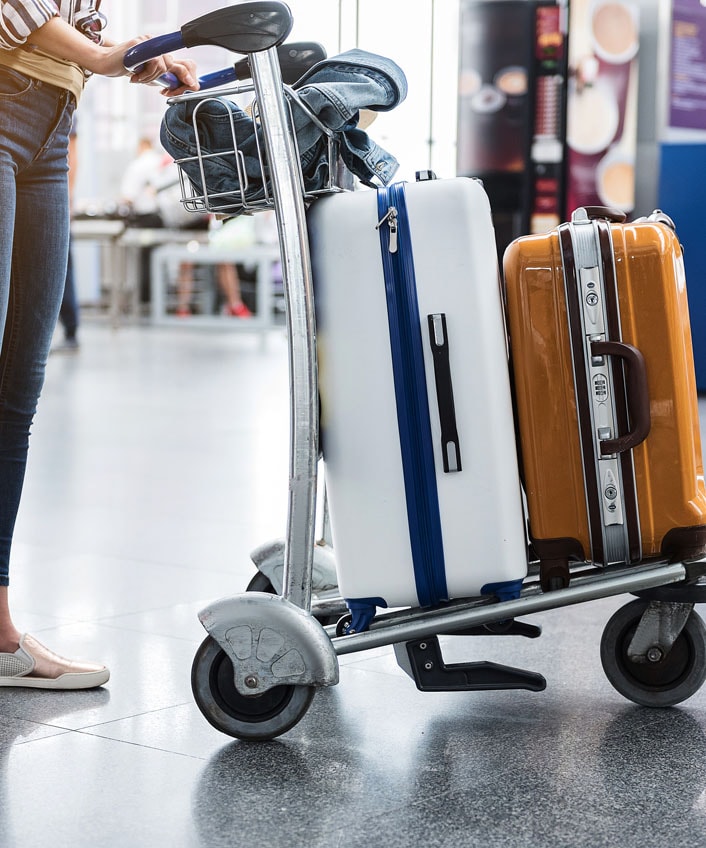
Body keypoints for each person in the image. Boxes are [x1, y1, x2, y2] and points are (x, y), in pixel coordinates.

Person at [0, 1, 198, 689]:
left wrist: (123, 53)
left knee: (16, 390)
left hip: (54, 120)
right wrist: (107, 57)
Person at [53, 114, 80, 352]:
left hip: (58, 197)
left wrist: (68, 197)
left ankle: (71, 330)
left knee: (61, 266)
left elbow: (72, 152)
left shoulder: (66, 104)